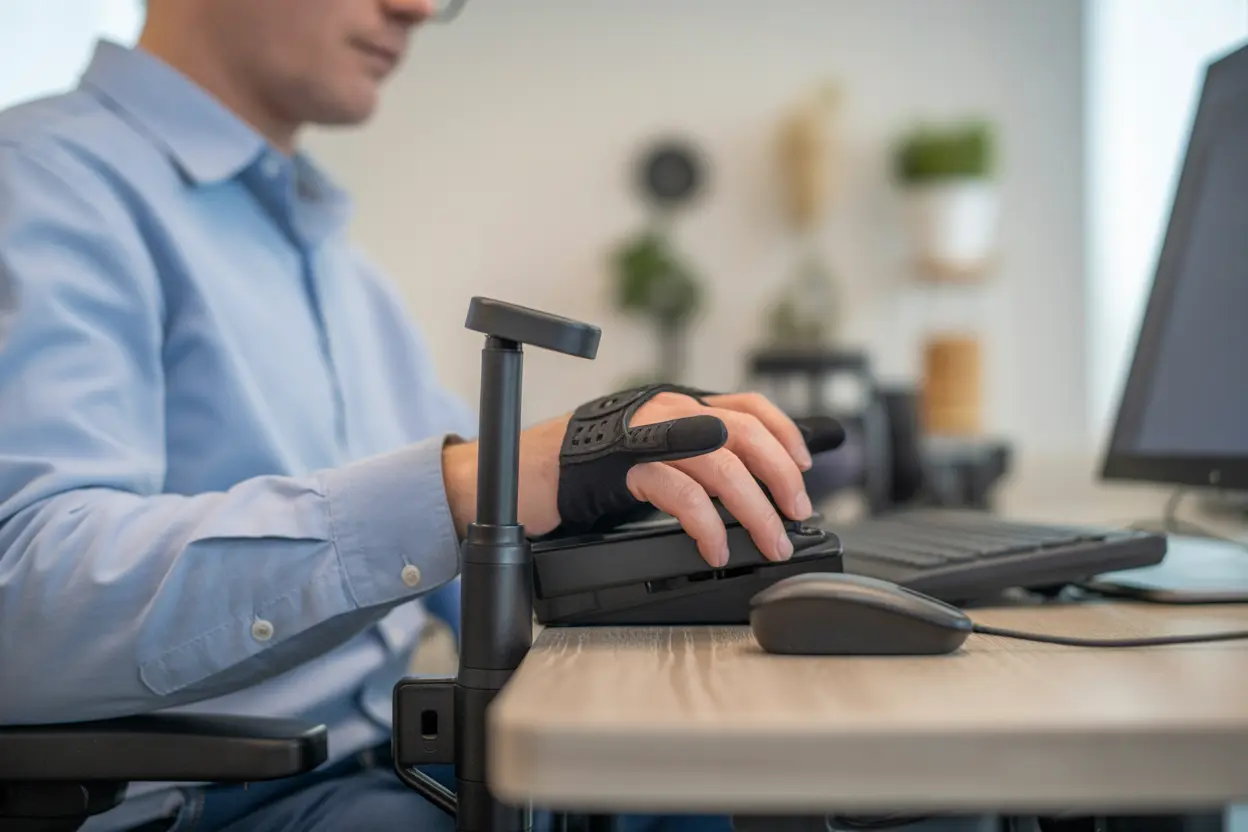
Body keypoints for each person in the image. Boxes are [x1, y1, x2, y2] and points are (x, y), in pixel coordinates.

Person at [0, 0, 817, 829]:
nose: (419, 8)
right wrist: (477, 482)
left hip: (412, 770)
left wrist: (662, 516)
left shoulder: (339, 267)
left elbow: (484, 531)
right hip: (251, 805)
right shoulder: (37, 184)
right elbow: (16, 605)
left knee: (815, 792)